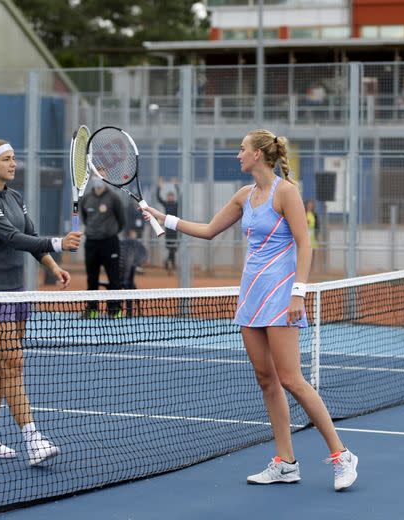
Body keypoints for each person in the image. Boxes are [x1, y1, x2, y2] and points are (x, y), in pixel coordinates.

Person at [141, 129, 358, 491]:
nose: (237, 154)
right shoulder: (244, 196)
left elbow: (305, 245)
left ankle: (341, 455)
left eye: (242, 149)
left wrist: (298, 294)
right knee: (266, 380)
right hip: (251, 297)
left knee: (292, 379)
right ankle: (286, 462)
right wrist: (162, 217)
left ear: (258, 154)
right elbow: (209, 230)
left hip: (281, 296)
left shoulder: (286, 192)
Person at [0, 138, 81, 466]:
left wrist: (54, 266)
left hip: (18, 292)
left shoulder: (14, 197)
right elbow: (12, 238)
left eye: (14, 158)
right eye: (6, 159)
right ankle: (33, 440)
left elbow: (31, 238)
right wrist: (59, 242)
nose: (13, 164)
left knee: (2, 363)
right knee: (14, 360)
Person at [80, 172, 126, 318]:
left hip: (110, 243)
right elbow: (85, 218)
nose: (98, 180)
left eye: (101, 176)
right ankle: (92, 310)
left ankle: (114, 310)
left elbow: (122, 221)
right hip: (91, 243)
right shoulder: (86, 198)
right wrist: (94, 232)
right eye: (96, 176)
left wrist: (109, 232)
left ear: (106, 179)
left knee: (114, 278)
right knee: (91, 278)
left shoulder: (114, 198)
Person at [156, 177, 180, 274]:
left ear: (173, 197)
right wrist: (159, 187)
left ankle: (168, 263)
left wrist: (176, 185)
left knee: (174, 248)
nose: (170, 198)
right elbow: (158, 198)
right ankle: (171, 264)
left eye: (172, 196)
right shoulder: (166, 204)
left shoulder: (176, 204)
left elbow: (181, 196)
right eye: (169, 196)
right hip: (168, 229)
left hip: (176, 229)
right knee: (171, 248)